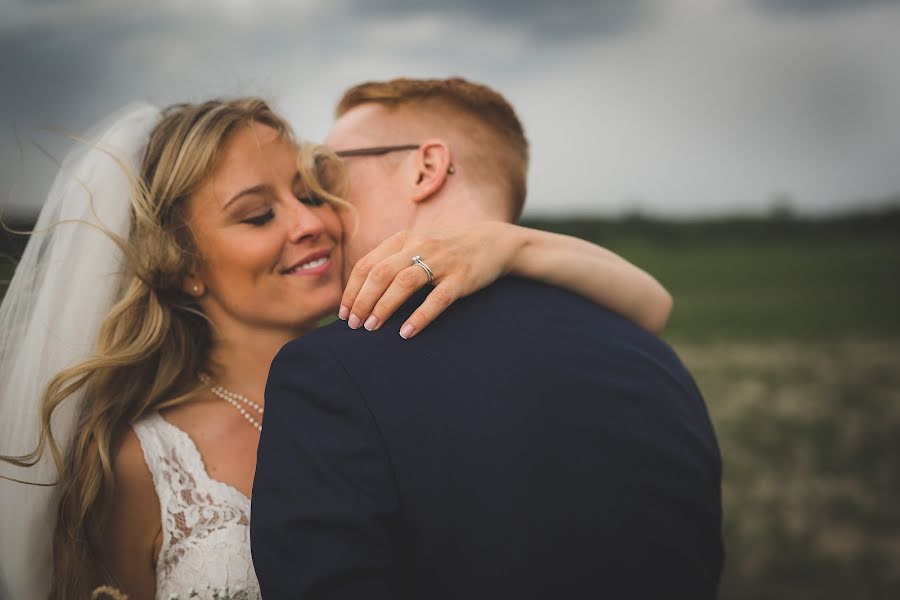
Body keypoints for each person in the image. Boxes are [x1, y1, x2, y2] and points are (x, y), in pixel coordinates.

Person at [0, 94, 673, 599]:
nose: (313, 224)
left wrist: (507, 242)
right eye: (259, 214)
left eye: (310, 193)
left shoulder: (392, 371)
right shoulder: (140, 463)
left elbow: (653, 305)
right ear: (184, 266)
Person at [252, 77, 724, 599]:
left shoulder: (330, 373)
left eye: (329, 172)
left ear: (426, 169)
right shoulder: (656, 361)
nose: (318, 206)